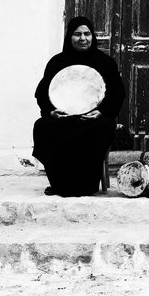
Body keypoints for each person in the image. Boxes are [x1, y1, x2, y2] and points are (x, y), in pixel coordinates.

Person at [33, 17, 126, 197]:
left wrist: (102, 112)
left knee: (104, 126)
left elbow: (117, 93)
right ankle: (59, 183)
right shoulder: (57, 62)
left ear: (92, 36)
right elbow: (42, 93)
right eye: (77, 34)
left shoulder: (105, 62)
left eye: (87, 34)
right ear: (69, 37)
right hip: (63, 119)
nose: (83, 38)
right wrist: (52, 112)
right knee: (42, 126)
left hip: (92, 120)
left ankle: (87, 184)